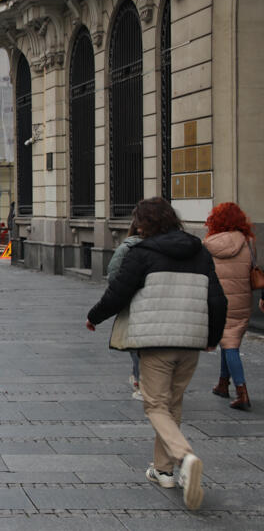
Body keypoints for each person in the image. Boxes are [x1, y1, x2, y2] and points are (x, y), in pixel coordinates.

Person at [85, 197, 226, 511]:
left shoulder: (142, 253)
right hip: (191, 341)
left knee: (155, 404)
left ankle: (184, 457)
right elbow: (217, 299)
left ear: (143, 224)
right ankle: (163, 470)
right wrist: (212, 338)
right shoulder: (200, 252)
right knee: (173, 403)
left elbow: (118, 291)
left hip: (156, 340)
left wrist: (94, 317)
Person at [203, 202, 254, 411]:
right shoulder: (248, 242)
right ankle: (223, 383)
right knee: (230, 338)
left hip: (219, 299)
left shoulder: (208, 244)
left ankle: (242, 391)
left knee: (229, 342)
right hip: (242, 299)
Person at [106, 225, 144, 401]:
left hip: (133, 303)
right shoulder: (171, 245)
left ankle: (140, 379)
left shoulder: (127, 247)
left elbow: (114, 277)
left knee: (135, 341)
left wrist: (98, 314)